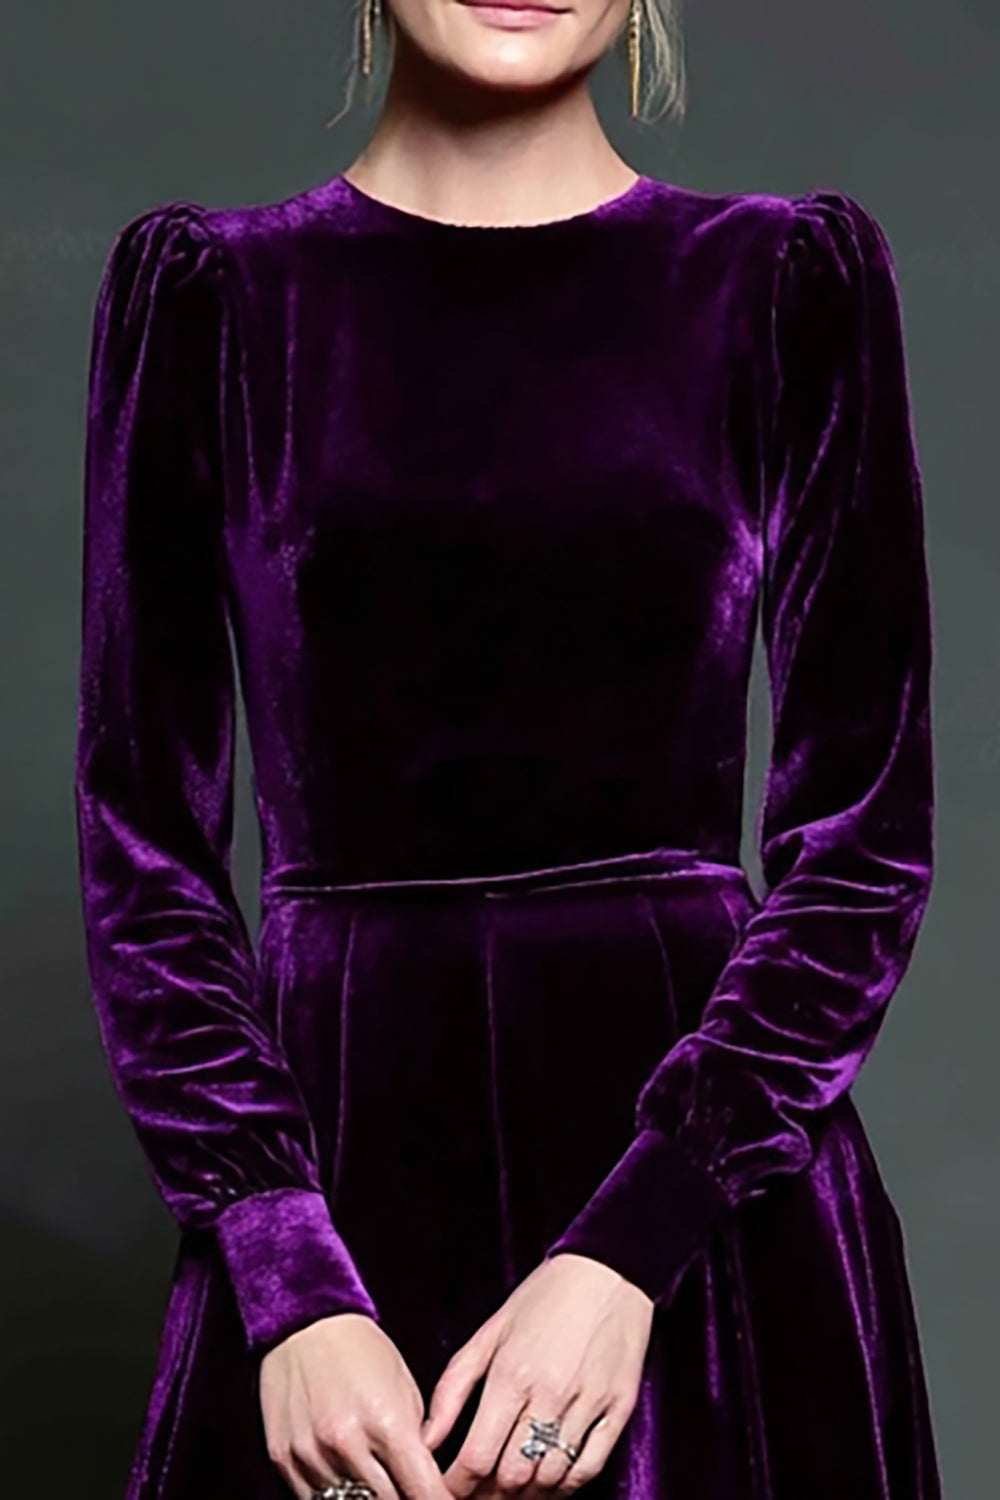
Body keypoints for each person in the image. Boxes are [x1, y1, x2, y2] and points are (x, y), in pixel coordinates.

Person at [75, 2, 943, 1498]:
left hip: (708, 1203)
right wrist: (286, 1270)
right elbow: (143, 845)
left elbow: (863, 841)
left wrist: (633, 1244)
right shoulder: (212, 298)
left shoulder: (786, 280)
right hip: (336, 1191)